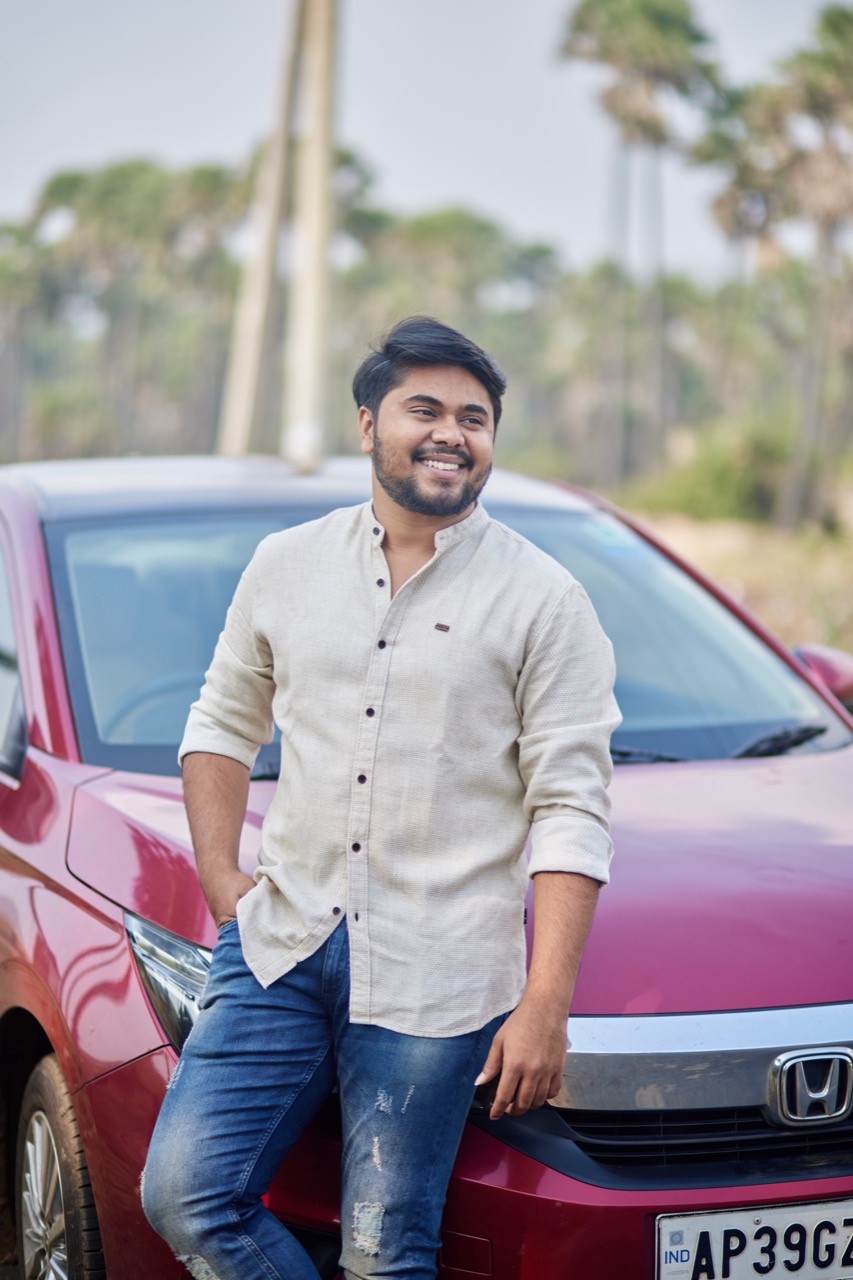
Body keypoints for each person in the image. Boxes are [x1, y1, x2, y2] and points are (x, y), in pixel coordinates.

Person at [142, 316, 620, 1280]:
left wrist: (545, 1004)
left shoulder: (545, 598)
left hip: (436, 976)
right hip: (278, 947)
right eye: (425, 409)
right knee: (187, 1194)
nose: (452, 432)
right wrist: (222, 876)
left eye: (474, 418)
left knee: (383, 1252)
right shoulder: (287, 564)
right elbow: (221, 722)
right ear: (368, 426)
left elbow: (569, 806)